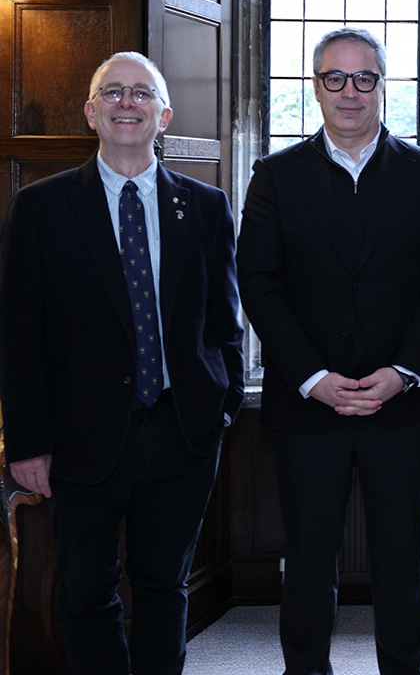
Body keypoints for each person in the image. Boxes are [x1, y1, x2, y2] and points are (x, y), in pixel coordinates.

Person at [0, 52, 244, 674]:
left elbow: (225, 320)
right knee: (86, 592)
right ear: (91, 112)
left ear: (164, 114)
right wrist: (27, 443)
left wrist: (222, 404)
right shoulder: (42, 208)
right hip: (79, 436)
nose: (126, 102)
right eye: (112, 92)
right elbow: (19, 334)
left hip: (183, 429)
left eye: (141, 93)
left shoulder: (206, 207)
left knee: (165, 586)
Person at [237, 27, 420, 675]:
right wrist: (312, 376)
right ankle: (306, 668)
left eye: (363, 77)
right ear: (315, 86)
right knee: (309, 558)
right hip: (308, 404)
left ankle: (406, 667)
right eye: (334, 78)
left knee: (403, 555)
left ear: (382, 86)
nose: (349, 91)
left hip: (401, 405)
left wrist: (403, 371)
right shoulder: (275, 176)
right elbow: (259, 282)